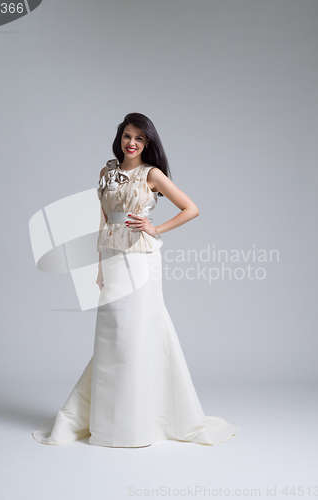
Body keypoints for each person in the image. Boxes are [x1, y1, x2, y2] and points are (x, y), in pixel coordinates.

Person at [32, 112, 241, 448]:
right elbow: (102, 221)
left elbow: (191, 208)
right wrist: (99, 265)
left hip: (142, 261)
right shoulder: (107, 173)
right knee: (112, 339)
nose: (132, 143)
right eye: (127, 136)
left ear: (148, 143)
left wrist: (155, 228)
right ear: (120, 138)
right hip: (112, 259)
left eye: (139, 139)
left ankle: (138, 423)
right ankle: (110, 420)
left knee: (137, 335)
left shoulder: (152, 174)